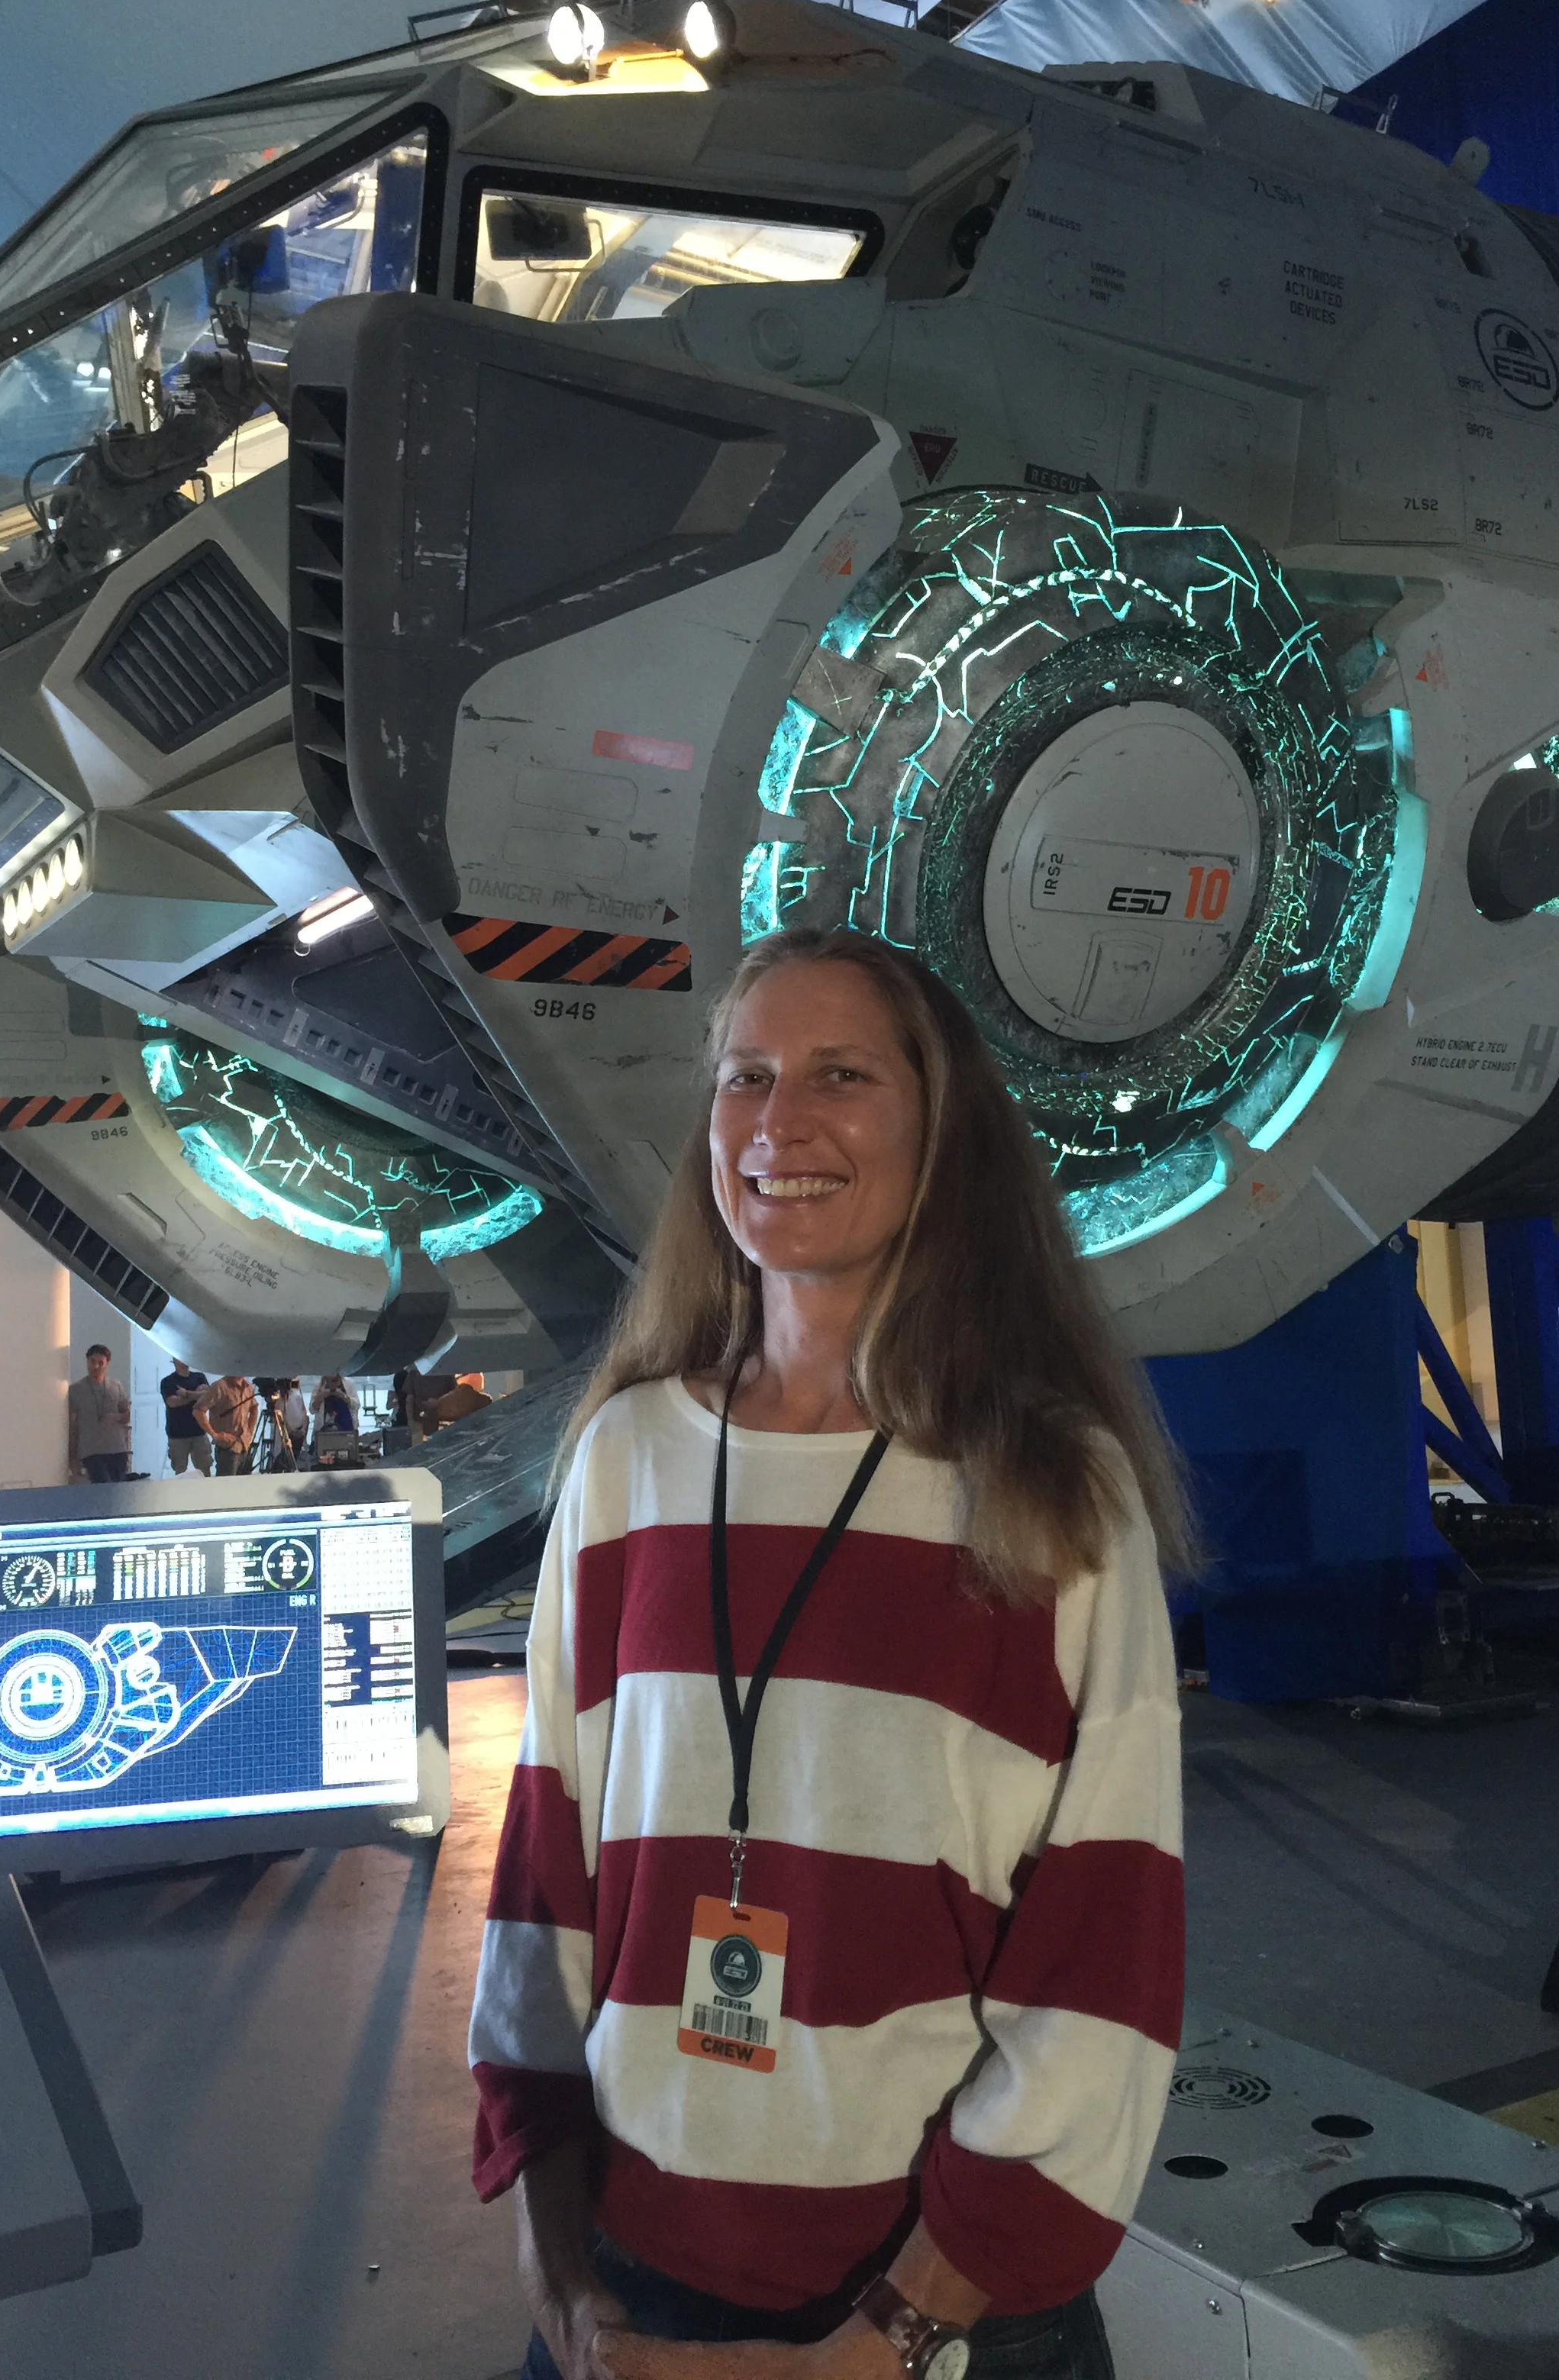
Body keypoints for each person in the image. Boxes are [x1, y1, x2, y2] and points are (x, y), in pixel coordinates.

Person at [468, 927, 1191, 2380]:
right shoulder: (626, 1459)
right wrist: (557, 2273)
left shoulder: (1047, 1490)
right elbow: (545, 1876)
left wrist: (888, 2333)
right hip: (633, 2291)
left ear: (941, 1129)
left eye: (839, 1075)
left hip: (944, 2317)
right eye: (745, 1076)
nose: (776, 1121)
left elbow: (1101, 1951)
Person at [66, 1343, 131, 1483]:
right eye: (92, 1362)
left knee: (119, 1490)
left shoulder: (116, 1386)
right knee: (101, 1488)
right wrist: (72, 1457)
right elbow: (72, 1426)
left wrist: (115, 1417)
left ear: (107, 1364)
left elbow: (127, 1416)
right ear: (87, 1362)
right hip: (90, 1451)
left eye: (101, 1363)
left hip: (117, 1449)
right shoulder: (76, 1390)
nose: (96, 1366)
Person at [192, 1372, 257, 1476]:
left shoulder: (248, 1387)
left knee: (244, 1483)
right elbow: (198, 1411)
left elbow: (254, 1407)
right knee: (226, 1483)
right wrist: (215, 1435)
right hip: (228, 1448)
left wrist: (249, 1431)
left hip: (244, 1446)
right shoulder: (220, 1386)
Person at [160, 1358, 211, 1475]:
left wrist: (187, 1394)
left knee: (205, 1470)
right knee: (180, 1471)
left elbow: (208, 1396)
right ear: (174, 1360)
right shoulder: (168, 1381)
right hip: (177, 1434)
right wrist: (197, 1395)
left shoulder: (199, 1377)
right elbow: (172, 1402)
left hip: (199, 1431)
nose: (182, 1361)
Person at [311, 1372, 359, 1456]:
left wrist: (343, 1397)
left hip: (346, 1429)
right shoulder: (318, 1386)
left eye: (335, 1381)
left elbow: (356, 1405)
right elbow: (312, 1409)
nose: (332, 1384)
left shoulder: (349, 1384)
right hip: (324, 1431)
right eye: (330, 1381)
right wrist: (321, 1397)